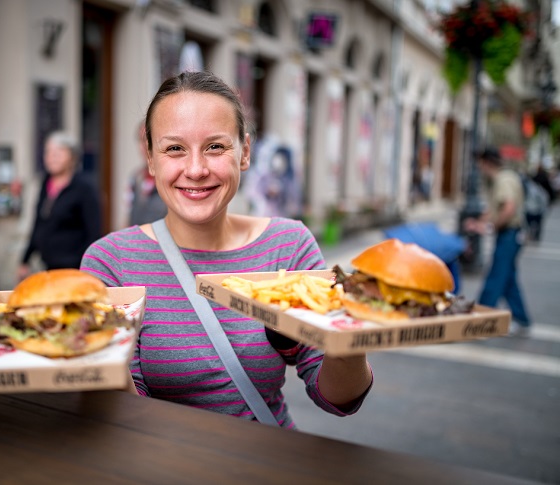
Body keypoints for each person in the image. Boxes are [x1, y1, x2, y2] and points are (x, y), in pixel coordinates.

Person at [81, 71, 373, 428]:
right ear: (151, 159)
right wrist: (99, 359)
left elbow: (336, 397)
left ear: (245, 152)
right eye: (174, 148)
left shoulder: (287, 245)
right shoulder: (111, 260)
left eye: (215, 147)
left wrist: (350, 336)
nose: (196, 169)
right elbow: (120, 411)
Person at [464, 147, 532, 337]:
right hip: (511, 234)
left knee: (496, 276)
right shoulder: (503, 179)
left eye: (480, 164)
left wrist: (490, 226)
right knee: (508, 279)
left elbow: (508, 208)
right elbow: (494, 209)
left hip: (509, 234)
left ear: (486, 163)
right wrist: (480, 222)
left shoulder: (503, 179)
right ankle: (521, 318)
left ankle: (482, 321)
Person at [18, 131, 101, 281]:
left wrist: (87, 267)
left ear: (72, 157)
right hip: (49, 266)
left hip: (75, 269)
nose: (52, 157)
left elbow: (94, 232)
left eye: (58, 152)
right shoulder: (45, 183)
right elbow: (38, 223)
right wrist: (25, 260)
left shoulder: (84, 187)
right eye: (48, 152)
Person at [127, 123, 168, 225]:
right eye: (142, 140)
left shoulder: (170, 177)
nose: (146, 145)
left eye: (150, 139)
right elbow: (129, 216)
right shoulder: (136, 178)